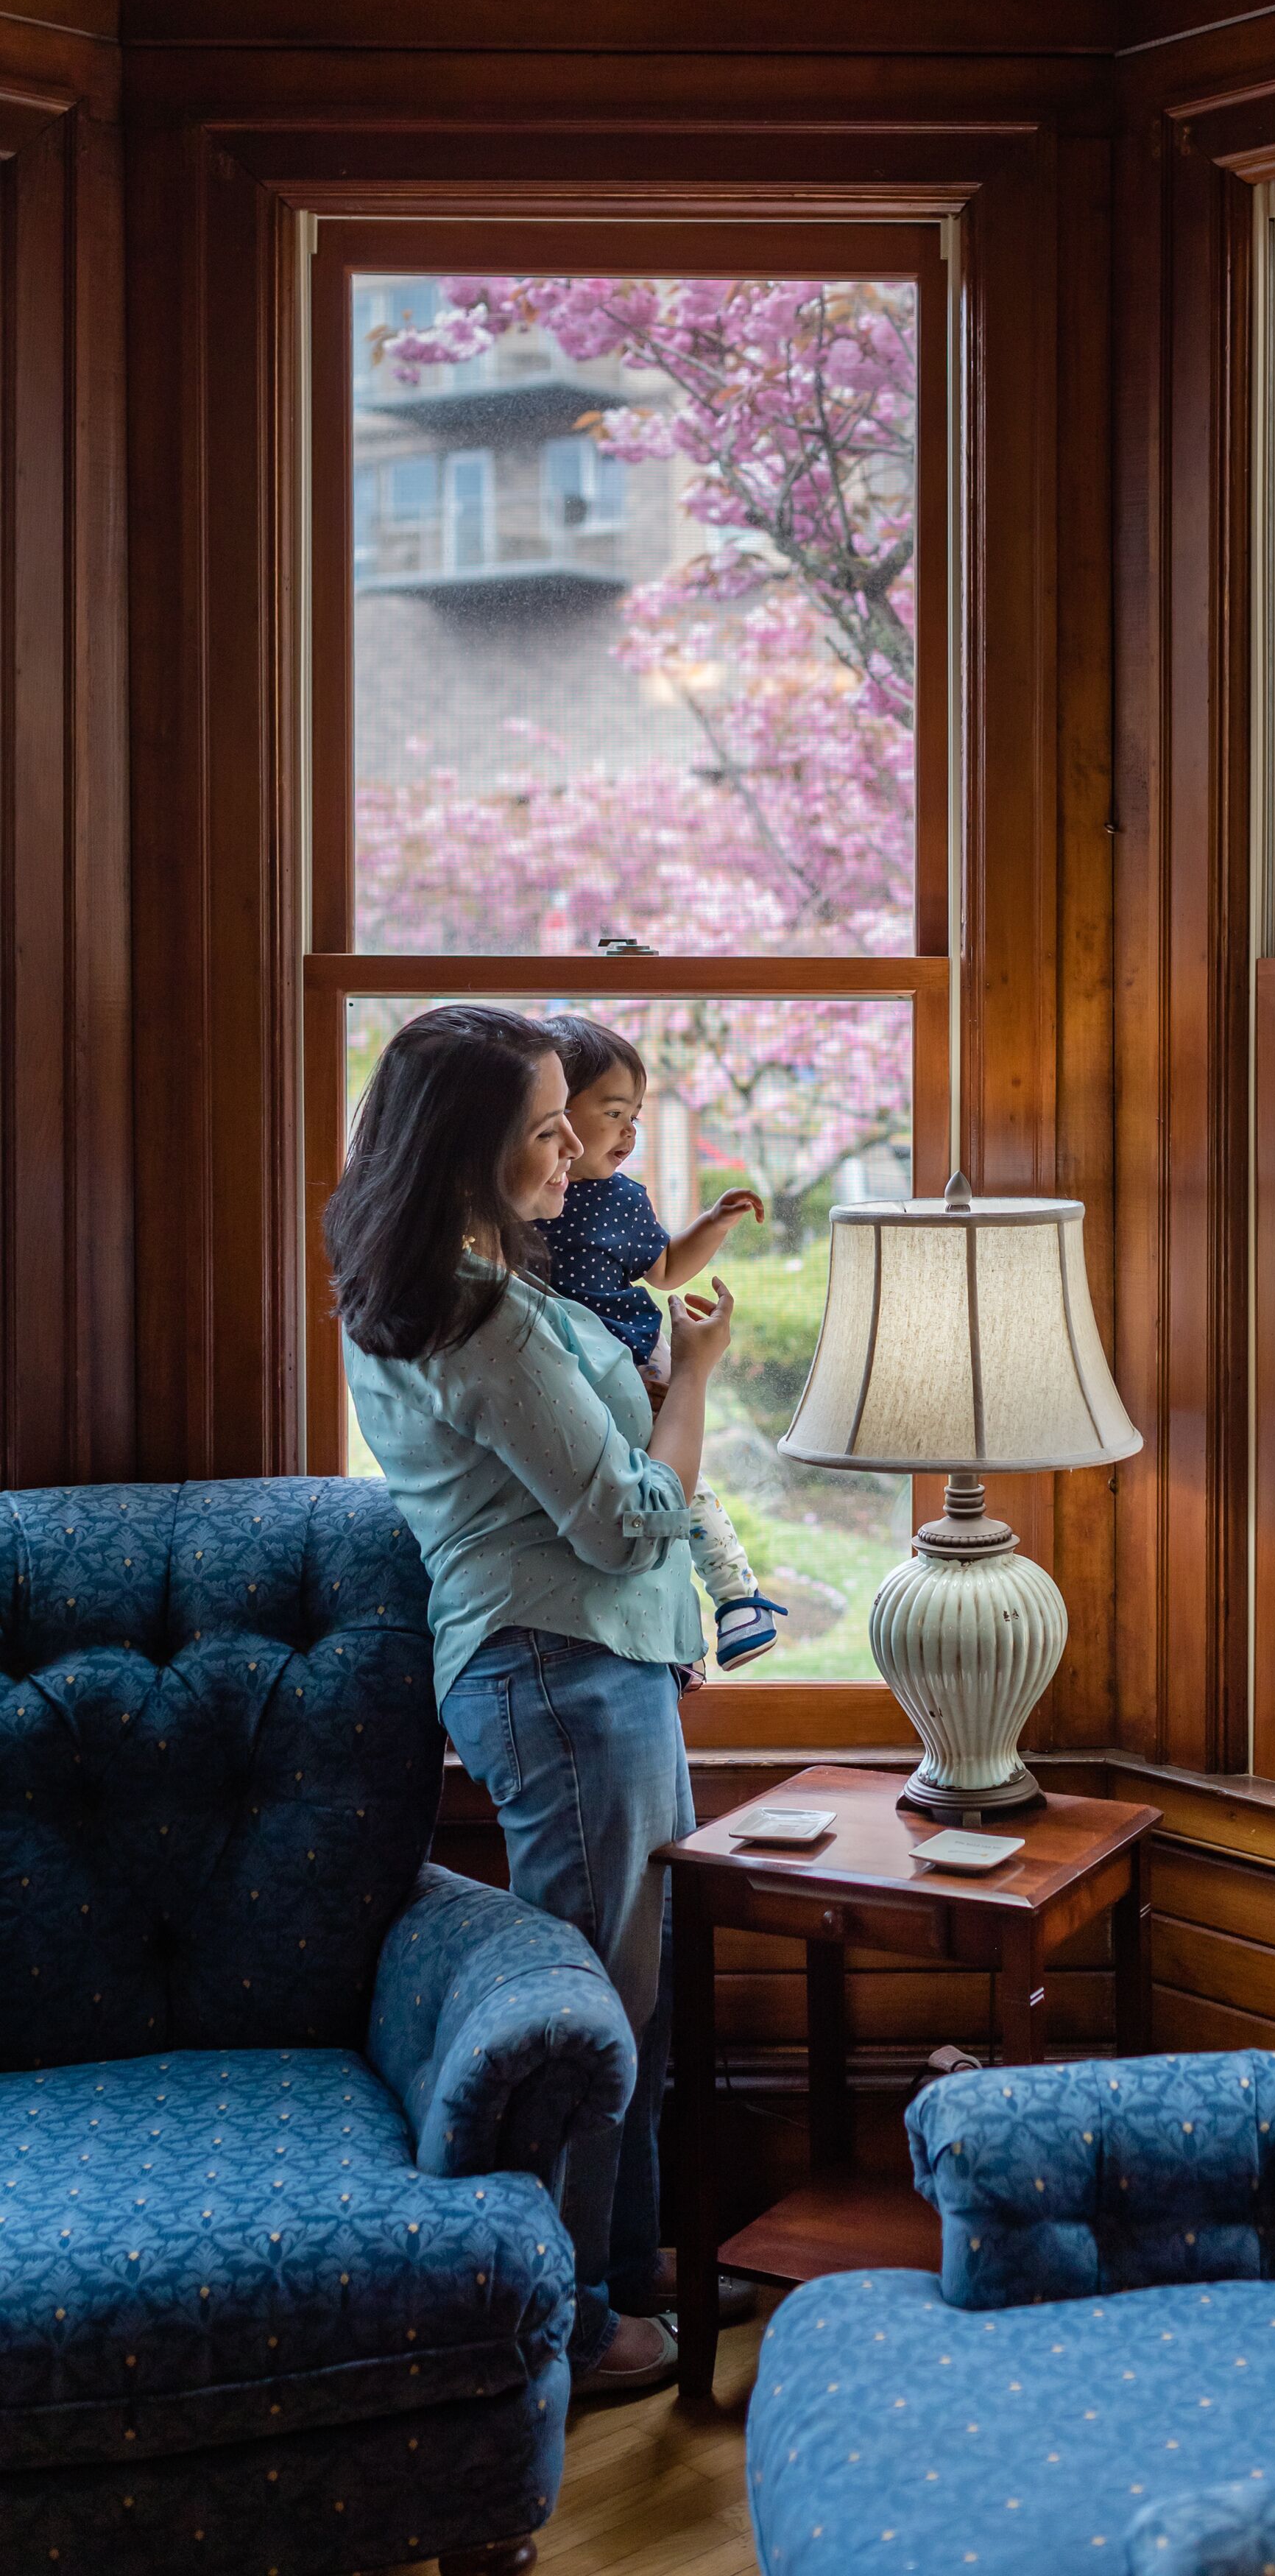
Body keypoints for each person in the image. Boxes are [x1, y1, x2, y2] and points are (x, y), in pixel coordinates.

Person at [325, 1001, 732, 2397]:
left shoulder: (468, 1287)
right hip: (559, 1672)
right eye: (547, 1130)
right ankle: (563, 2317)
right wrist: (696, 1386)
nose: (575, 1152)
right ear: (464, 1149)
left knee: (631, 1994)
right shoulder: (479, 1313)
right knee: (589, 2005)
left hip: (585, 1667)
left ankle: (623, 2270)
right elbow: (620, 1525)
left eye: (572, 1122)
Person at [534, 1014, 788, 1673]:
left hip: (634, 1359)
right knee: (624, 1504)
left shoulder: (620, 1199)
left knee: (669, 1493)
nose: (630, 1131)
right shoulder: (512, 1204)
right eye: (613, 1112)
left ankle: (734, 1595)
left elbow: (667, 1270)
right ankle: (685, 1621)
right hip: (558, 1372)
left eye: (635, 1116)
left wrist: (713, 1223)